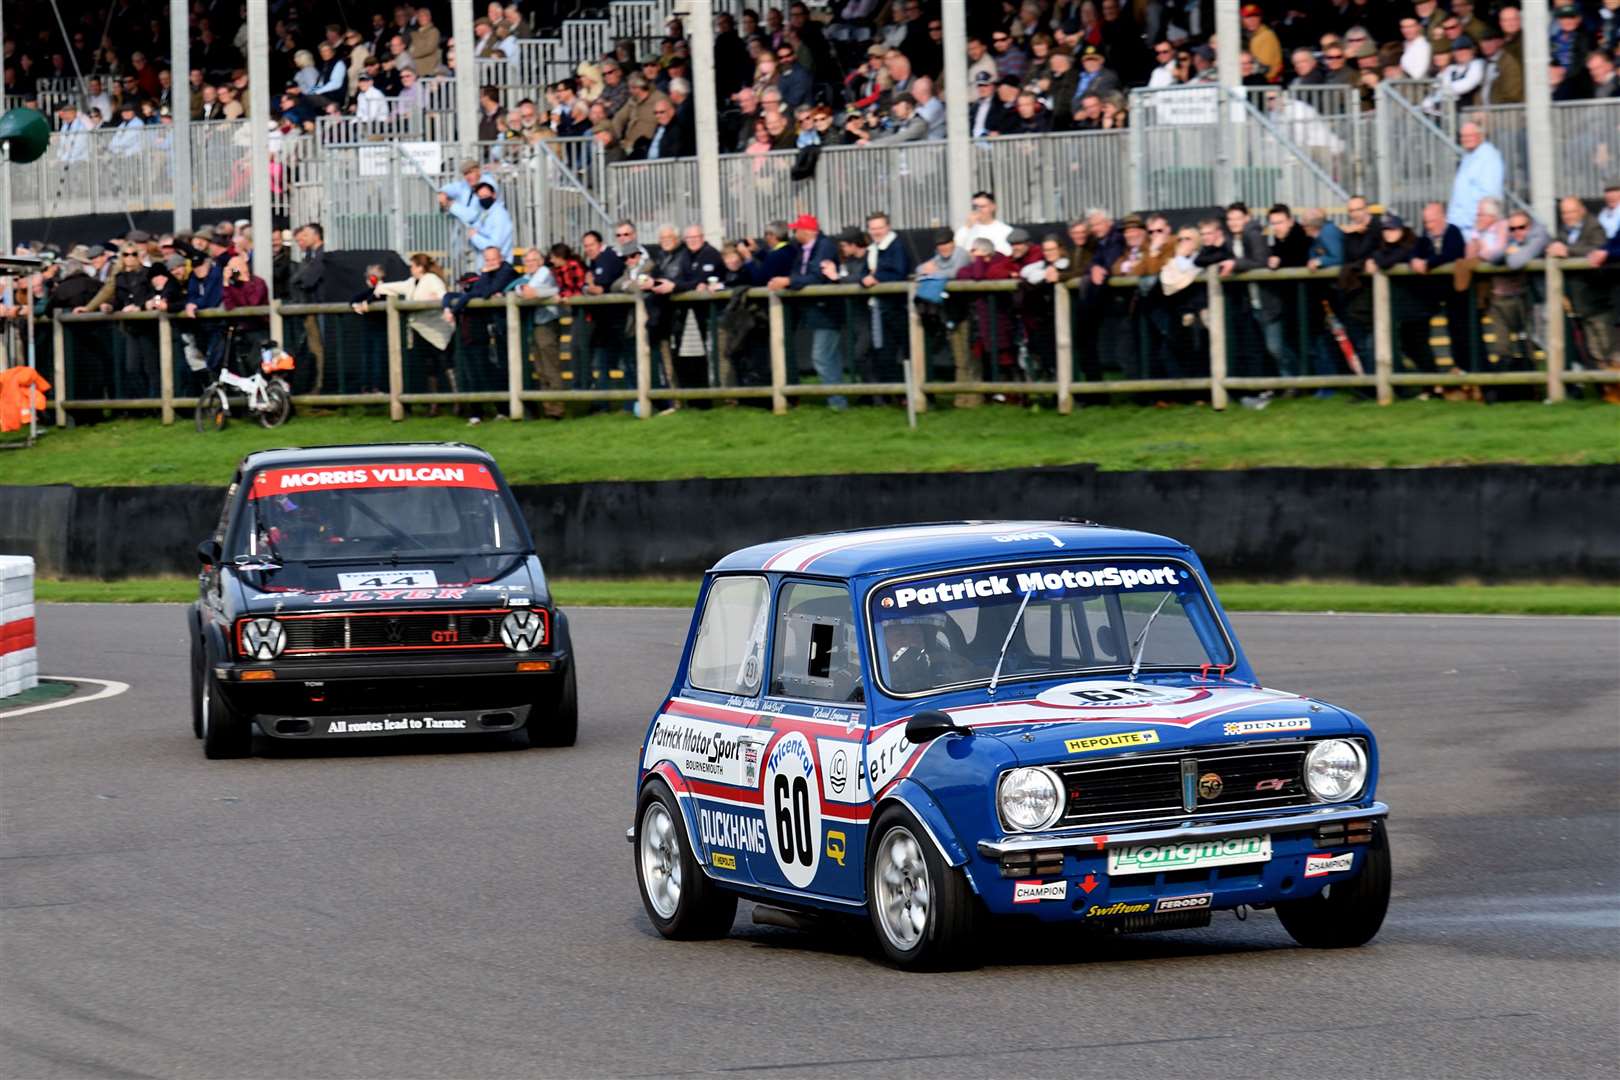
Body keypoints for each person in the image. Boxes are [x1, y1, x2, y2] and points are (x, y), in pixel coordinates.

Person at [767, 214, 846, 409]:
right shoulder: (803, 249)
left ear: (807, 232)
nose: (794, 234)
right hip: (815, 310)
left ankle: (837, 401)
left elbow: (816, 277)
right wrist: (791, 280)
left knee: (821, 356)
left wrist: (788, 282)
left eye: (797, 230)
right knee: (828, 357)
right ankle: (837, 399)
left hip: (827, 310)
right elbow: (798, 274)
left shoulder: (825, 247)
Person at [360, 253, 455, 410]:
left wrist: (443, 305)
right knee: (429, 366)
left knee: (446, 365)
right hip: (421, 330)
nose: (410, 268)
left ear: (420, 267)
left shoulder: (432, 280)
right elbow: (394, 287)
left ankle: (458, 401)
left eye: (412, 265)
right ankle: (434, 404)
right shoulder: (411, 282)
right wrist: (377, 287)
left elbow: (443, 295)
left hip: (438, 330)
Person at [1546, 195, 1614, 362]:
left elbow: (1597, 249)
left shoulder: (1594, 227)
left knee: (1608, 349)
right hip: (1579, 301)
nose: (1568, 216)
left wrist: (1568, 251)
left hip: (1598, 299)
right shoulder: (1564, 231)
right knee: (1594, 351)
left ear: (1582, 210)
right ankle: (1605, 386)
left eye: (1571, 212)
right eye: (1564, 213)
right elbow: (1555, 246)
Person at [506, 247, 566, 419]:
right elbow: (516, 289)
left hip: (546, 324)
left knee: (550, 367)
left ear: (540, 262)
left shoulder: (544, 272)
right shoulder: (529, 276)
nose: (529, 264)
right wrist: (526, 291)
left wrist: (529, 292)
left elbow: (528, 292)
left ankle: (557, 409)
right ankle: (549, 408)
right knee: (540, 368)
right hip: (535, 324)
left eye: (533, 261)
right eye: (526, 261)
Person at [1447, 121, 1505, 231]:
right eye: (1463, 136)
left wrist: (1477, 228)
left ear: (1480, 136)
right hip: (1460, 225)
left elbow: (1489, 196)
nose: (1465, 139)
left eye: (1470, 135)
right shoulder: (1469, 156)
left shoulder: (1488, 157)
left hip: (1473, 227)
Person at [955, 191, 1013, 256]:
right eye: (975, 207)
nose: (978, 210)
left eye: (982, 206)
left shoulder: (1005, 230)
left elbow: (1007, 253)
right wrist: (968, 226)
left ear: (993, 207)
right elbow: (956, 250)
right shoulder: (966, 229)